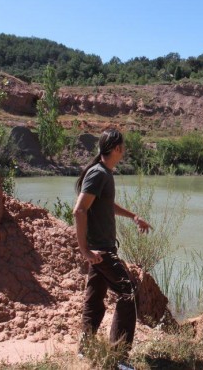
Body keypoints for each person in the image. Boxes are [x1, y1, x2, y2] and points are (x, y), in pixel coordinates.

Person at [73, 128, 151, 359]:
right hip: (101, 251)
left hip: (101, 249)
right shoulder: (99, 173)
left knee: (94, 300)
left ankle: (84, 350)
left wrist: (133, 216)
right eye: (123, 147)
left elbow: (106, 205)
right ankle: (118, 357)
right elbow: (79, 210)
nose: (124, 150)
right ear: (117, 148)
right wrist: (84, 250)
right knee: (128, 291)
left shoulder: (105, 173)